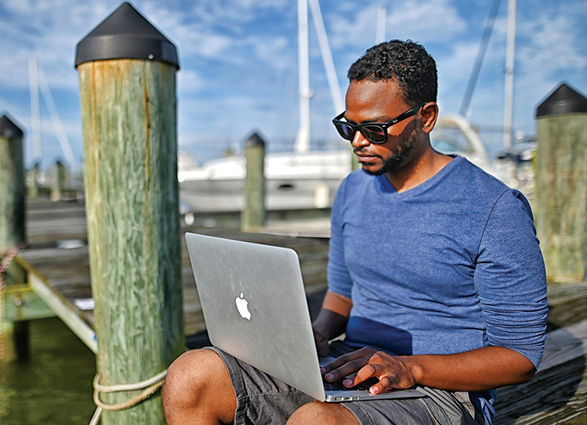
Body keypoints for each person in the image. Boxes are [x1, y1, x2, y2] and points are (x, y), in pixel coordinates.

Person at [162, 40, 548, 425]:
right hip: (347, 364)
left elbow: (520, 357)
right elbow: (343, 291)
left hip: (444, 392)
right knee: (190, 377)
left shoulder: (496, 209)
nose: (359, 142)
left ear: (426, 117)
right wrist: (316, 333)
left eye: (375, 129)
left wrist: (410, 368)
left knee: (316, 422)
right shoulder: (352, 189)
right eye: (349, 127)